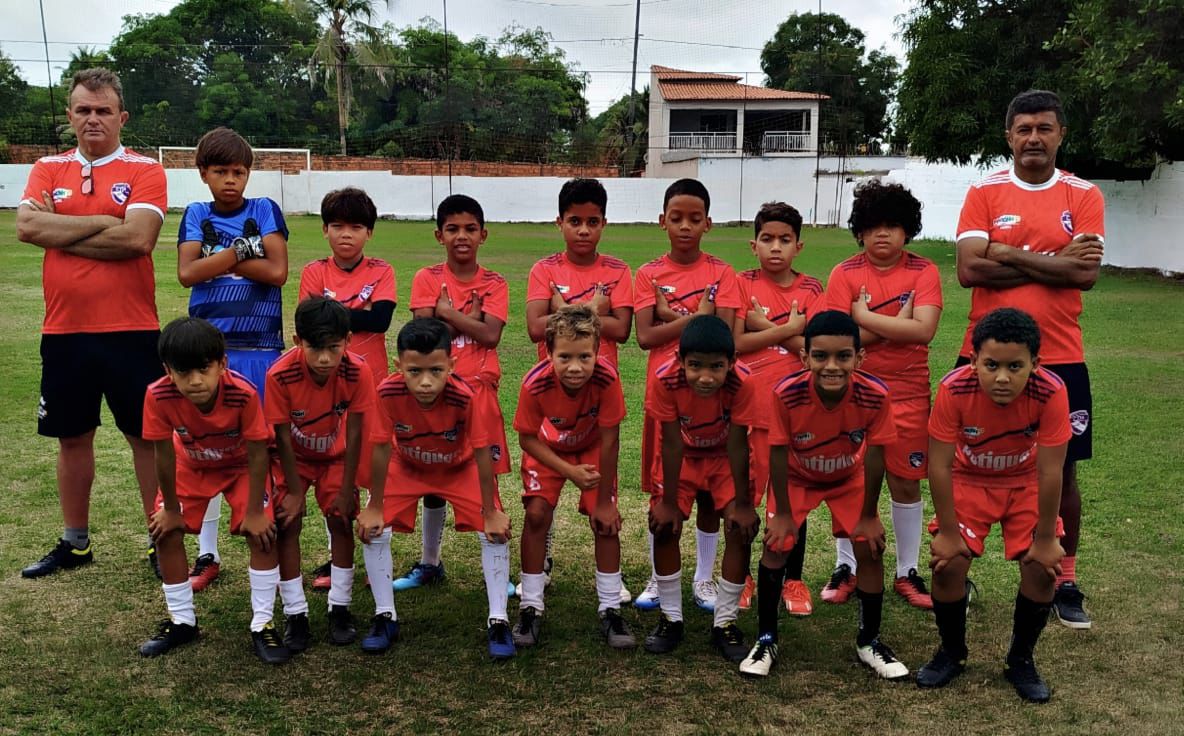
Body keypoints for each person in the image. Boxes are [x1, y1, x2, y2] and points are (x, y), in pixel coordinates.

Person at [954, 89, 1104, 628]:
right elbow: (969, 270)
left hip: (1060, 355)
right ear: (1009, 136)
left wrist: (1004, 252)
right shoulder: (984, 190)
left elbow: (1084, 273)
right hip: (983, 354)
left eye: (1044, 128)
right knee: (965, 463)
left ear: (1061, 134)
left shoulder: (1083, 194)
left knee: (1062, 471)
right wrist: (1052, 261)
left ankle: (1065, 579)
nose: (1034, 138)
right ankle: (958, 568)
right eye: (1024, 129)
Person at [16, 67, 168, 579]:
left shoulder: (145, 169)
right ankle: (75, 542)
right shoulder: (47, 167)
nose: (93, 119)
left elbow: (137, 240)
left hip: (132, 329)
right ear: (69, 116)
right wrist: (106, 221)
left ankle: (161, 540)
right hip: (64, 331)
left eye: (103, 110)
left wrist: (59, 230)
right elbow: (26, 226)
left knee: (145, 437)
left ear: (123, 117)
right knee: (72, 436)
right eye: (83, 110)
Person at [739, 311, 906, 680]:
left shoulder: (875, 394)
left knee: (869, 547)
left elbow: (876, 454)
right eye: (820, 356)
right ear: (804, 358)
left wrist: (869, 515)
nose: (832, 366)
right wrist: (783, 514)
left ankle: (869, 640)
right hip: (797, 477)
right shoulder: (786, 394)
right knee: (777, 545)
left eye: (843, 356)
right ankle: (766, 639)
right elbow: (777, 452)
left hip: (847, 477)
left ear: (859, 358)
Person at [916, 308, 1070, 703]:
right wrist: (948, 533)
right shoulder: (954, 389)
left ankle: (1021, 660)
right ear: (973, 361)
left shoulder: (1051, 391)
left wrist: (1046, 538)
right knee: (948, 564)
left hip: (1026, 481)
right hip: (969, 480)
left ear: (1035, 364)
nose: (1002, 377)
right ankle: (952, 651)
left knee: (1041, 569)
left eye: (1015, 366)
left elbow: (1051, 471)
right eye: (991, 365)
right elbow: (939, 465)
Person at [176, 126, 290, 593]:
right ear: (203, 173)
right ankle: (207, 554)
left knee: (267, 449)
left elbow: (277, 272)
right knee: (207, 451)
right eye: (221, 171)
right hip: (210, 355)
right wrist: (244, 250)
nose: (230, 180)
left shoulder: (264, 209)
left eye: (238, 172)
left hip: (261, 349)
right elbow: (187, 273)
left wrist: (219, 257)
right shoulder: (195, 213)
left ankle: (272, 550)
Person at [137, 318, 289, 663]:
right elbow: (163, 454)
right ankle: (182, 621)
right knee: (165, 531)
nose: (195, 381)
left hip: (240, 467)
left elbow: (258, 453)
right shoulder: (157, 395)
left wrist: (255, 511)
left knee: (263, 534)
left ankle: (263, 624)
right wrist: (170, 508)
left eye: (203, 369)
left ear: (222, 364)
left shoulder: (243, 393)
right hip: (191, 465)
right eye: (183, 371)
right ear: (168, 370)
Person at [822, 180, 942, 611]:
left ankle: (907, 570)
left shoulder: (924, 271)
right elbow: (838, 342)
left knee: (905, 480)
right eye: (873, 226)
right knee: (849, 476)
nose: (882, 234)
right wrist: (894, 324)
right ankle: (846, 565)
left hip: (908, 394)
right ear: (860, 231)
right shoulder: (844, 274)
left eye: (892, 225)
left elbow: (923, 331)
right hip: (853, 394)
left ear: (907, 229)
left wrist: (864, 317)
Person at [366, 318, 516, 659]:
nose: (425, 382)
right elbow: (381, 447)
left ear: (452, 364)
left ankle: (498, 619)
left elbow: (482, 452)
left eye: (435, 370)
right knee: (374, 528)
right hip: (408, 465)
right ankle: (384, 616)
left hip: (458, 467)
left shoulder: (466, 396)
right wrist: (374, 505)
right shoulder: (386, 392)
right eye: (414, 371)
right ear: (398, 366)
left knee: (494, 532)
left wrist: (490, 511)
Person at [633, 178, 743, 614]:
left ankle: (703, 577)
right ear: (662, 221)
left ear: (708, 224)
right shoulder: (648, 273)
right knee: (664, 490)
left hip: (713, 398)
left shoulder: (722, 273)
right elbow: (645, 336)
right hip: (665, 399)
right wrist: (696, 317)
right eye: (676, 218)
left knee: (711, 496)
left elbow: (727, 335)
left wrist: (671, 316)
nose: (685, 226)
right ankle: (658, 577)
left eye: (694, 219)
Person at [523, 177, 634, 603]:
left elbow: (622, 329)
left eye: (592, 221)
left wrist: (562, 309)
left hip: (597, 395)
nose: (583, 230)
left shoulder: (618, 270)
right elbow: (535, 327)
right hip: (553, 397)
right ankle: (542, 562)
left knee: (601, 500)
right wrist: (590, 309)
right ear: (560, 222)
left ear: (604, 223)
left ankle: (610, 584)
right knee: (540, 505)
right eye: (574, 221)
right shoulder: (544, 269)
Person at [395, 195, 512, 597]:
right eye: (452, 229)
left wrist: (447, 313)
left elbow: (491, 335)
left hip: (479, 392)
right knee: (432, 474)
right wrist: (469, 319)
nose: (461, 236)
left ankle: (497, 572)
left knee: (485, 478)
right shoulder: (427, 277)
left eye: (470, 229)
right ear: (439, 235)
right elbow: (424, 337)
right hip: (436, 393)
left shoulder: (495, 282)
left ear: (483, 234)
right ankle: (430, 562)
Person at [512, 305, 634, 649]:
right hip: (549, 450)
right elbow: (527, 439)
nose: (575, 367)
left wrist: (605, 502)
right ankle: (531, 606)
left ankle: (610, 608)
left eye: (585, 356)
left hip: (592, 448)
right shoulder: (535, 384)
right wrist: (568, 472)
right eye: (564, 357)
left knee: (604, 521)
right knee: (536, 514)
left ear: (598, 352)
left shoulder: (607, 379)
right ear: (548, 353)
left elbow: (610, 440)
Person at [643, 315, 760, 661]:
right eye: (695, 365)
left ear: (732, 362)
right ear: (680, 361)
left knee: (739, 528)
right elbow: (671, 443)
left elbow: (738, 444)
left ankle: (725, 622)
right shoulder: (664, 379)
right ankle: (671, 618)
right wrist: (668, 502)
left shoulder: (743, 382)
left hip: (724, 456)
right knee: (664, 525)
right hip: (683, 455)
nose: (705, 377)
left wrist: (744, 503)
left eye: (716, 367)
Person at [264, 297, 375, 652]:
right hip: (292, 459)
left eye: (334, 348)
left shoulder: (357, 371)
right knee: (287, 523)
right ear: (298, 341)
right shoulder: (279, 374)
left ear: (348, 340)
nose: (325, 358)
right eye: (315, 348)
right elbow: (281, 435)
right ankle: (295, 612)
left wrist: (347, 488)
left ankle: (339, 607)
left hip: (336, 458)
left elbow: (356, 432)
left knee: (341, 519)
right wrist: (295, 491)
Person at [299, 187, 396, 591]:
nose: (346, 234)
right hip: (326, 388)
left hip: (371, 385)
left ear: (369, 232)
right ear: (324, 230)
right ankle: (336, 555)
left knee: (372, 471)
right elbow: (310, 323)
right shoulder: (314, 271)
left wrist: (334, 314)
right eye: (337, 225)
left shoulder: (382, 270)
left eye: (355, 227)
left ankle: (377, 556)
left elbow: (381, 321)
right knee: (335, 475)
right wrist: (359, 313)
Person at [732, 201, 823, 615]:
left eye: (785, 240)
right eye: (767, 239)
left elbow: (814, 351)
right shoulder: (741, 283)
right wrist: (790, 328)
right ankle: (743, 576)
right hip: (752, 409)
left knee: (790, 501)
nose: (775, 247)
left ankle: (793, 579)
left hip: (796, 412)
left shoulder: (812, 290)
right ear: (753, 245)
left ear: (798, 246)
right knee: (746, 496)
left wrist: (766, 327)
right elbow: (735, 343)